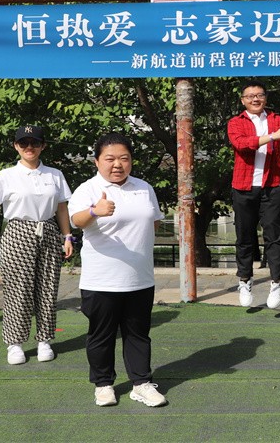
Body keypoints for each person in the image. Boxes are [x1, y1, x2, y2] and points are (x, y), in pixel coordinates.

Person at [0, 125, 74, 365]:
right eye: (24, 143)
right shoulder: (5, 176)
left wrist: (67, 236)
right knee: (17, 289)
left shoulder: (54, 174)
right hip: (18, 231)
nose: (29, 147)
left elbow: (62, 207)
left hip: (48, 229)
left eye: (35, 143)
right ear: (16, 146)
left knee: (48, 287)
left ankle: (44, 340)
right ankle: (15, 343)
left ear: (43, 146)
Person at [69, 133, 167, 408]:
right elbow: (77, 220)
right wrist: (95, 211)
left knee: (138, 334)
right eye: (110, 159)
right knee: (102, 335)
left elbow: (154, 222)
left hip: (140, 278)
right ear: (97, 161)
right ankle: (103, 385)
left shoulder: (144, 188)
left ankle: (141, 383)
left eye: (124, 158)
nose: (117, 164)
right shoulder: (88, 189)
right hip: (102, 280)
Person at [227, 80, 280, 309]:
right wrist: (272, 137)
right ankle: (245, 280)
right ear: (243, 100)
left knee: (274, 236)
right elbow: (242, 144)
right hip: (244, 186)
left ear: (265, 98)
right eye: (250, 96)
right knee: (244, 236)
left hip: (273, 185)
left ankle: (276, 283)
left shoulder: (278, 120)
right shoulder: (236, 122)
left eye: (259, 95)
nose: (255, 99)